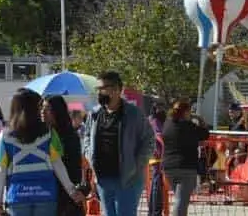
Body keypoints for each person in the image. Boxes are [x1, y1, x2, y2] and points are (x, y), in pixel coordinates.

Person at [0, 90, 85, 216]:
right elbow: (58, 164)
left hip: (17, 196)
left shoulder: (4, 137)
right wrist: (71, 191)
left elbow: (1, 170)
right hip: (46, 194)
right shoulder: (49, 133)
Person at [81, 71, 151, 216]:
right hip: (103, 179)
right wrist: (89, 154)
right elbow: (86, 137)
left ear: (117, 89)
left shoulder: (134, 114)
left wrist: (136, 165)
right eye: (98, 89)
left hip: (128, 179)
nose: (99, 92)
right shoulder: (94, 114)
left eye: (103, 88)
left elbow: (149, 141)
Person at [160, 100, 209, 216]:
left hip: (168, 168)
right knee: (181, 202)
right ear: (186, 112)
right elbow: (205, 134)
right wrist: (200, 120)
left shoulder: (167, 124)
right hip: (186, 167)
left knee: (179, 199)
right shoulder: (188, 126)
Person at [43, 96, 83, 216]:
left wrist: (72, 190)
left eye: (47, 108)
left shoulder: (69, 136)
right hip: (46, 192)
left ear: (57, 111)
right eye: (42, 107)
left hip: (65, 194)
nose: (42, 111)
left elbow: (74, 168)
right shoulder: (42, 135)